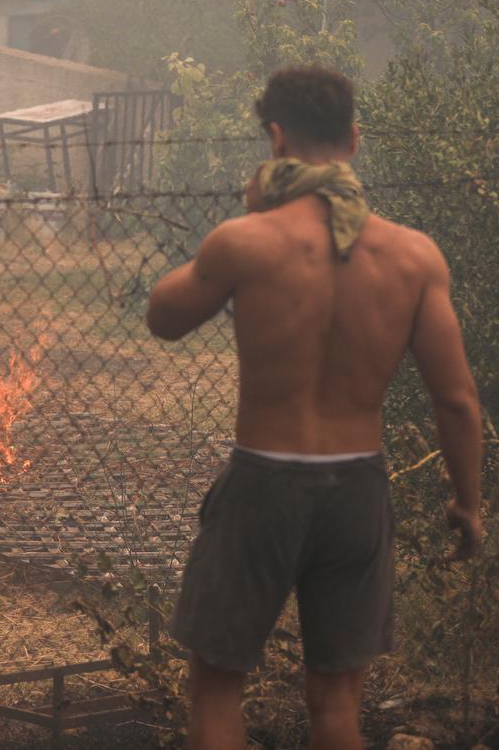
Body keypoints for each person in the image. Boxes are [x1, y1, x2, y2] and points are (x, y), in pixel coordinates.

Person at [146, 65, 485, 750]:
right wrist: (467, 503)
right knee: (336, 702)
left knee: (217, 684)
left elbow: (163, 316)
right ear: (354, 139)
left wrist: (247, 221)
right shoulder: (415, 258)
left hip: (262, 484)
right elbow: (456, 400)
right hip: (357, 490)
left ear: (275, 139)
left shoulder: (246, 242)